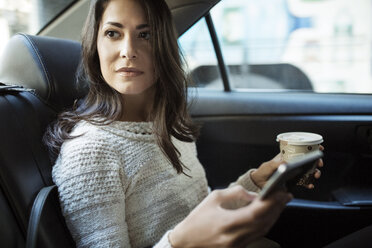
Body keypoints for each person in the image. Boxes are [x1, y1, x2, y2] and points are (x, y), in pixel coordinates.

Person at [44, 0, 322, 247]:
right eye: (113, 33)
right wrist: (180, 243)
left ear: (164, 45)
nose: (128, 50)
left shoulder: (168, 124)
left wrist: (256, 181)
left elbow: (198, 214)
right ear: (95, 44)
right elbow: (190, 233)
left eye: (146, 34)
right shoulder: (89, 152)